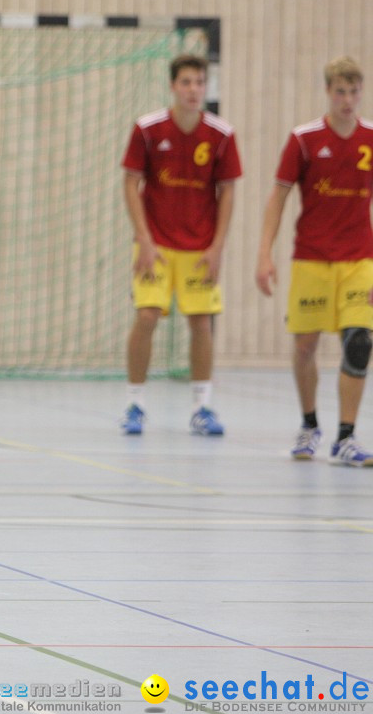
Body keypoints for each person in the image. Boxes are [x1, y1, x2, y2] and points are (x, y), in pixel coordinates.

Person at [257, 56, 373, 466]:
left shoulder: (371, 139)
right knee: (306, 345)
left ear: (361, 92)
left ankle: (346, 437)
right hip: (312, 258)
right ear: (328, 92)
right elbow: (279, 196)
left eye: (354, 91)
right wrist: (264, 253)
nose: (347, 99)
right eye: (340, 91)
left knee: (359, 343)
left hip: (360, 258)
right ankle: (309, 424)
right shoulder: (304, 140)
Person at [119, 54, 242, 436]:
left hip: (199, 247)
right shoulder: (148, 128)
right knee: (147, 316)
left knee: (201, 323)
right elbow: (131, 183)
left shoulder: (221, 135)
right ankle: (135, 404)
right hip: (156, 243)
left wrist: (217, 246)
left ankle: (202, 408)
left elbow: (227, 192)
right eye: (186, 82)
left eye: (199, 83)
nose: (193, 90)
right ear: (173, 86)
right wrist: (143, 236)